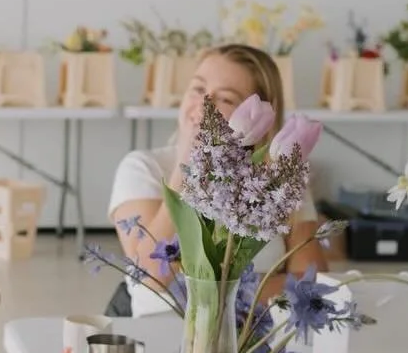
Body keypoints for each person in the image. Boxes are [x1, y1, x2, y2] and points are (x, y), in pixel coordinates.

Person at [104, 44, 326, 318]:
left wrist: (218, 294)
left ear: (261, 120)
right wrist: (188, 164)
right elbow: (150, 278)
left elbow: (312, 282)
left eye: (227, 99)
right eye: (198, 88)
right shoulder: (144, 168)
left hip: (253, 336)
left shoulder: (280, 182)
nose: (204, 103)